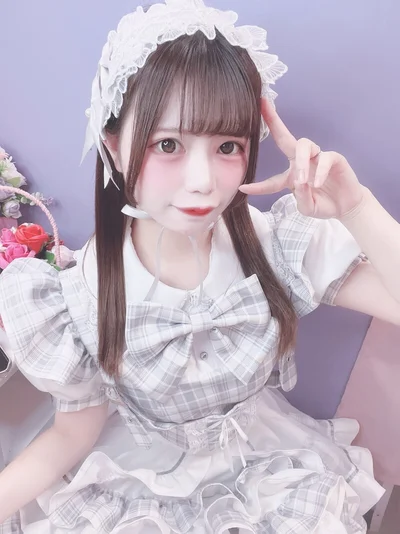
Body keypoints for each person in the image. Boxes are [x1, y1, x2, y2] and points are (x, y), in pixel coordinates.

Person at [0, 0, 399, 532]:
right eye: (168, 144)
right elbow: (71, 436)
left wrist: (356, 207)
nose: (203, 182)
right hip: (140, 483)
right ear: (113, 146)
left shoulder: (273, 244)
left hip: (267, 469)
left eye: (227, 146)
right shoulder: (84, 293)